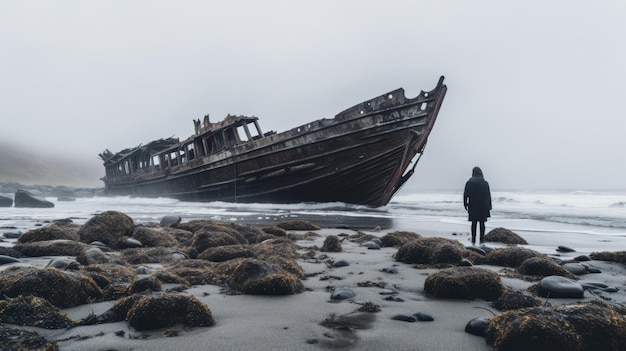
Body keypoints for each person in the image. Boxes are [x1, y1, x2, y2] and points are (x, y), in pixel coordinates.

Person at [463, 166, 492, 245]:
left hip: (473, 205)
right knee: (482, 223)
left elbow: (465, 195)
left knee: (474, 223)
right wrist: (489, 207)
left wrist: (465, 204)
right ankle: (481, 239)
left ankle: (473, 239)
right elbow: (488, 196)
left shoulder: (469, 183)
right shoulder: (485, 183)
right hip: (483, 206)